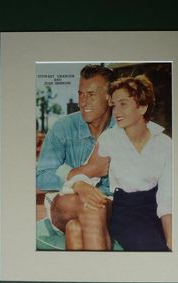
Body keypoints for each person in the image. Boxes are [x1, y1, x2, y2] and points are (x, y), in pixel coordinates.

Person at [65, 75, 172, 251]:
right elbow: (87, 172)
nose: (115, 112)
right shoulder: (110, 139)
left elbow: (167, 197)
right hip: (125, 212)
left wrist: (171, 238)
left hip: (155, 210)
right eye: (114, 105)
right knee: (150, 247)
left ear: (143, 107)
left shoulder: (165, 143)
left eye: (123, 104)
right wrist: (79, 184)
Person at [36, 64, 115, 250]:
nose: (83, 101)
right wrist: (81, 178)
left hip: (111, 203)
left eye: (91, 94)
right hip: (64, 202)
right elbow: (42, 175)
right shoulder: (62, 128)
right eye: (80, 94)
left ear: (110, 98)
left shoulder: (122, 128)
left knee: (75, 228)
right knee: (92, 205)